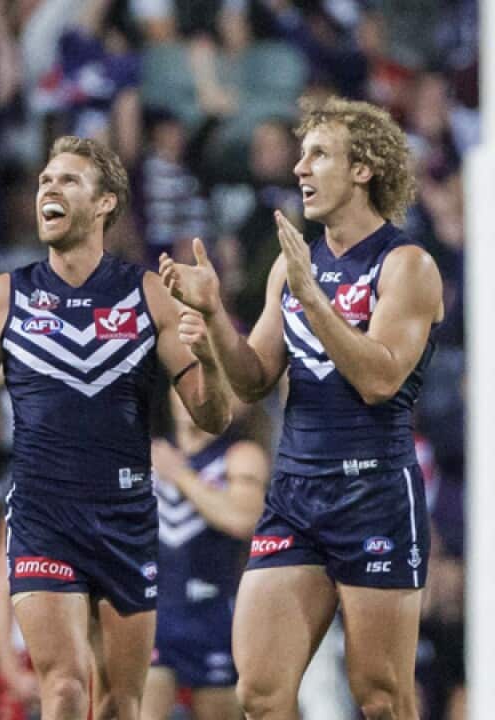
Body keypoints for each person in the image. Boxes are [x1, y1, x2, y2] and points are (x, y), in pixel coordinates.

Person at [0, 135, 232, 720]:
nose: (49, 186)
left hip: (126, 516)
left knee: (122, 704)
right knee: (66, 690)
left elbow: (213, 415)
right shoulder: (2, 297)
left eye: (68, 180)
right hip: (45, 514)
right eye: (46, 178)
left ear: (105, 205)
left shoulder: (149, 295)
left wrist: (212, 349)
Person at [159, 95, 444, 718]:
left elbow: (381, 380)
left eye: (318, 155)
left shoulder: (407, 266)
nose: (300, 170)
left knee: (382, 697)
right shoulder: (292, 270)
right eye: (300, 156)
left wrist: (314, 300)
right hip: (295, 492)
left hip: (374, 493)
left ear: (364, 168)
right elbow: (255, 378)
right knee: (259, 693)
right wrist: (212, 317)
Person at [141, 390, 268, 720]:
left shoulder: (240, 455)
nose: (191, 395)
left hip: (213, 612)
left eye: (204, 382)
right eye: (183, 384)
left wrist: (180, 475)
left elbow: (242, 519)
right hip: (154, 610)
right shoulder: (149, 451)